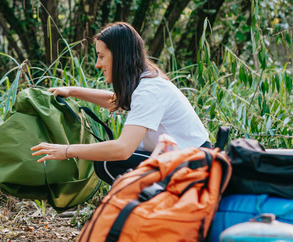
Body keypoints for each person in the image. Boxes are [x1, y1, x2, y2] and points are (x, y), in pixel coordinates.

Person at [31, 22, 211, 185]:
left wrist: (67, 150)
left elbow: (122, 149)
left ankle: (149, 210)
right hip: (189, 160)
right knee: (109, 161)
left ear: (119, 56)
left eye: (101, 56)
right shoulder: (145, 83)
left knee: (108, 163)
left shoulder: (150, 91)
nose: (97, 64)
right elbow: (115, 101)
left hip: (194, 167)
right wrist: (72, 91)